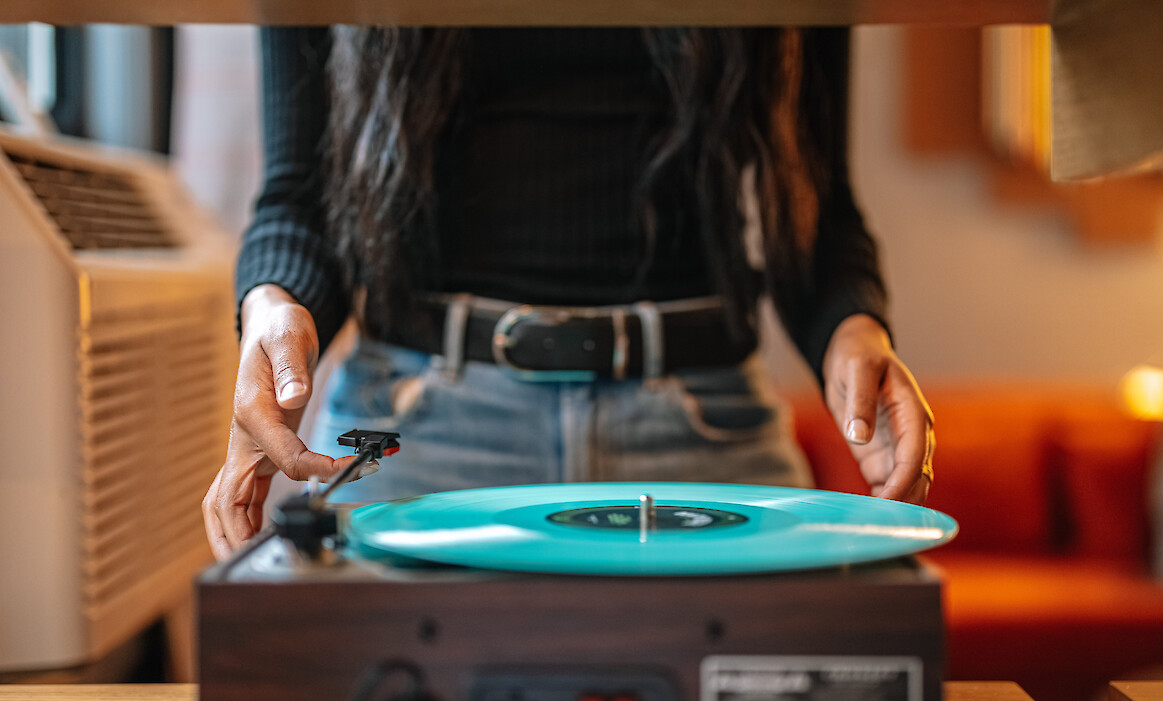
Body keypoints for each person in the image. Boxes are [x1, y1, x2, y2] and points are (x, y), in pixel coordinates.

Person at [202, 26, 935, 559]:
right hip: (421, 429)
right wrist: (272, 305)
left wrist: (853, 327)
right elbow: (299, 194)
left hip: (701, 428)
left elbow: (816, 198)